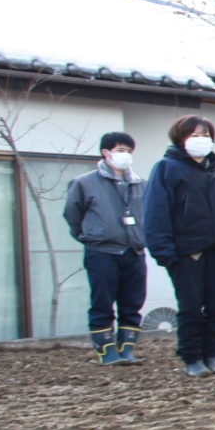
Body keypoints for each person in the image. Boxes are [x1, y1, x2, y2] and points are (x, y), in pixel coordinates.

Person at [143, 116, 215, 377]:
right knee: (191, 306)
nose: (200, 140)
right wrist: (165, 252)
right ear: (180, 138)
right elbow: (155, 212)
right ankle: (192, 358)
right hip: (187, 252)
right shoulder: (167, 168)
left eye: (205, 134)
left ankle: (213, 355)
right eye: (194, 135)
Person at [63, 131, 148, 366]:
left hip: (134, 251)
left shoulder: (140, 184)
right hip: (102, 252)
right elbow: (72, 214)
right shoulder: (84, 183)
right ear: (106, 152)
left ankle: (127, 349)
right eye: (121, 150)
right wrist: (89, 236)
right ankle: (107, 351)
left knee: (132, 302)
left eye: (129, 152)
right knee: (102, 302)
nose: (126, 156)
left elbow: (149, 215)